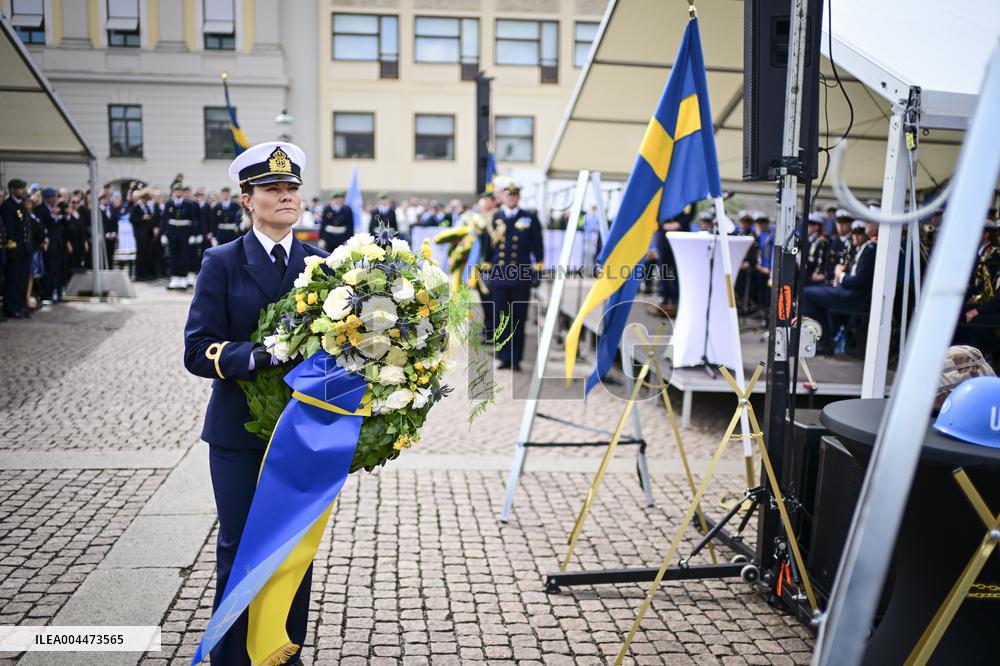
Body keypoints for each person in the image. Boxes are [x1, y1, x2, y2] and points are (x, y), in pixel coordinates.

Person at [184, 141, 323, 666]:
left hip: (304, 431)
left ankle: (282, 652)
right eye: (272, 189)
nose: (286, 197)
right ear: (247, 200)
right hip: (238, 431)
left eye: (292, 188)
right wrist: (261, 354)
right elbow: (197, 350)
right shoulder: (221, 261)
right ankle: (232, 658)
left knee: (293, 552)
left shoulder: (323, 264)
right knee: (242, 546)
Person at [479, 183, 544, 371]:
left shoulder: (529, 217)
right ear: (504, 198)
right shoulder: (495, 218)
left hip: (520, 276)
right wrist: (485, 271)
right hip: (499, 276)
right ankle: (502, 356)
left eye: (514, 196)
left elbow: (538, 246)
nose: (511, 199)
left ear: (518, 198)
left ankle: (516, 358)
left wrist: (538, 270)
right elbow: (487, 248)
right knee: (500, 317)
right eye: (508, 196)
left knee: (518, 317)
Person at [800, 221, 878, 350]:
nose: (857, 236)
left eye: (862, 232)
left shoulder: (871, 248)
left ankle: (824, 339)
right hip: (848, 292)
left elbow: (858, 282)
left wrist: (840, 275)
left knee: (806, 294)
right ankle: (827, 335)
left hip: (853, 297)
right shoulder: (865, 247)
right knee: (812, 292)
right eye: (855, 234)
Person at [2, 179, 32, 318]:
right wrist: (12, 248)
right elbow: (10, 229)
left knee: (22, 279)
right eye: (20, 189)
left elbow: (26, 227)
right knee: (13, 280)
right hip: (15, 249)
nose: (23, 191)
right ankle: (12, 308)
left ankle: (21, 306)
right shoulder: (8, 206)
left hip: (24, 248)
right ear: (12, 190)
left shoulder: (20, 205)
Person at [160, 183, 198, 289]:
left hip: (184, 232)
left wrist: (193, 235)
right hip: (172, 232)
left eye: (180, 190)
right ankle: (174, 278)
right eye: (176, 191)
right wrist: (163, 234)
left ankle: (183, 278)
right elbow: (164, 220)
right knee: (173, 255)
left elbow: (193, 220)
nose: (178, 192)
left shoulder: (188, 204)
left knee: (184, 255)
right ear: (174, 192)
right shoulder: (169, 204)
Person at [130, 189, 156, 280]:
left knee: (147, 254)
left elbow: (151, 219)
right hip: (140, 234)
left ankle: (145, 273)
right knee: (140, 255)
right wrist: (142, 218)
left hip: (147, 235)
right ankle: (139, 274)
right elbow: (132, 219)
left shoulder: (147, 207)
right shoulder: (135, 207)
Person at [804, 213, 831, 285]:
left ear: (816, 226)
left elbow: (819, 262)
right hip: (805, 275)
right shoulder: (807, 240)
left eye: (810, 224)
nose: (806, 226)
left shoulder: (821, 242)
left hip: (814, 278)